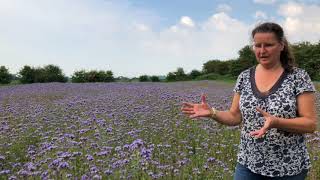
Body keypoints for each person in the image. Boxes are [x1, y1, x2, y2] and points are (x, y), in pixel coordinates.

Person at [181, 22, 317, 180]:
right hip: (248, 164)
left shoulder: (298, 77)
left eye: (268, 45)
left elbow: (310, 124)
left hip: (288, 168)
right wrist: (212, 112)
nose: (262, 51)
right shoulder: (244, 77)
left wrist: (276, 122)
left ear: (281, 45)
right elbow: (234, 116)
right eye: (257, 45)